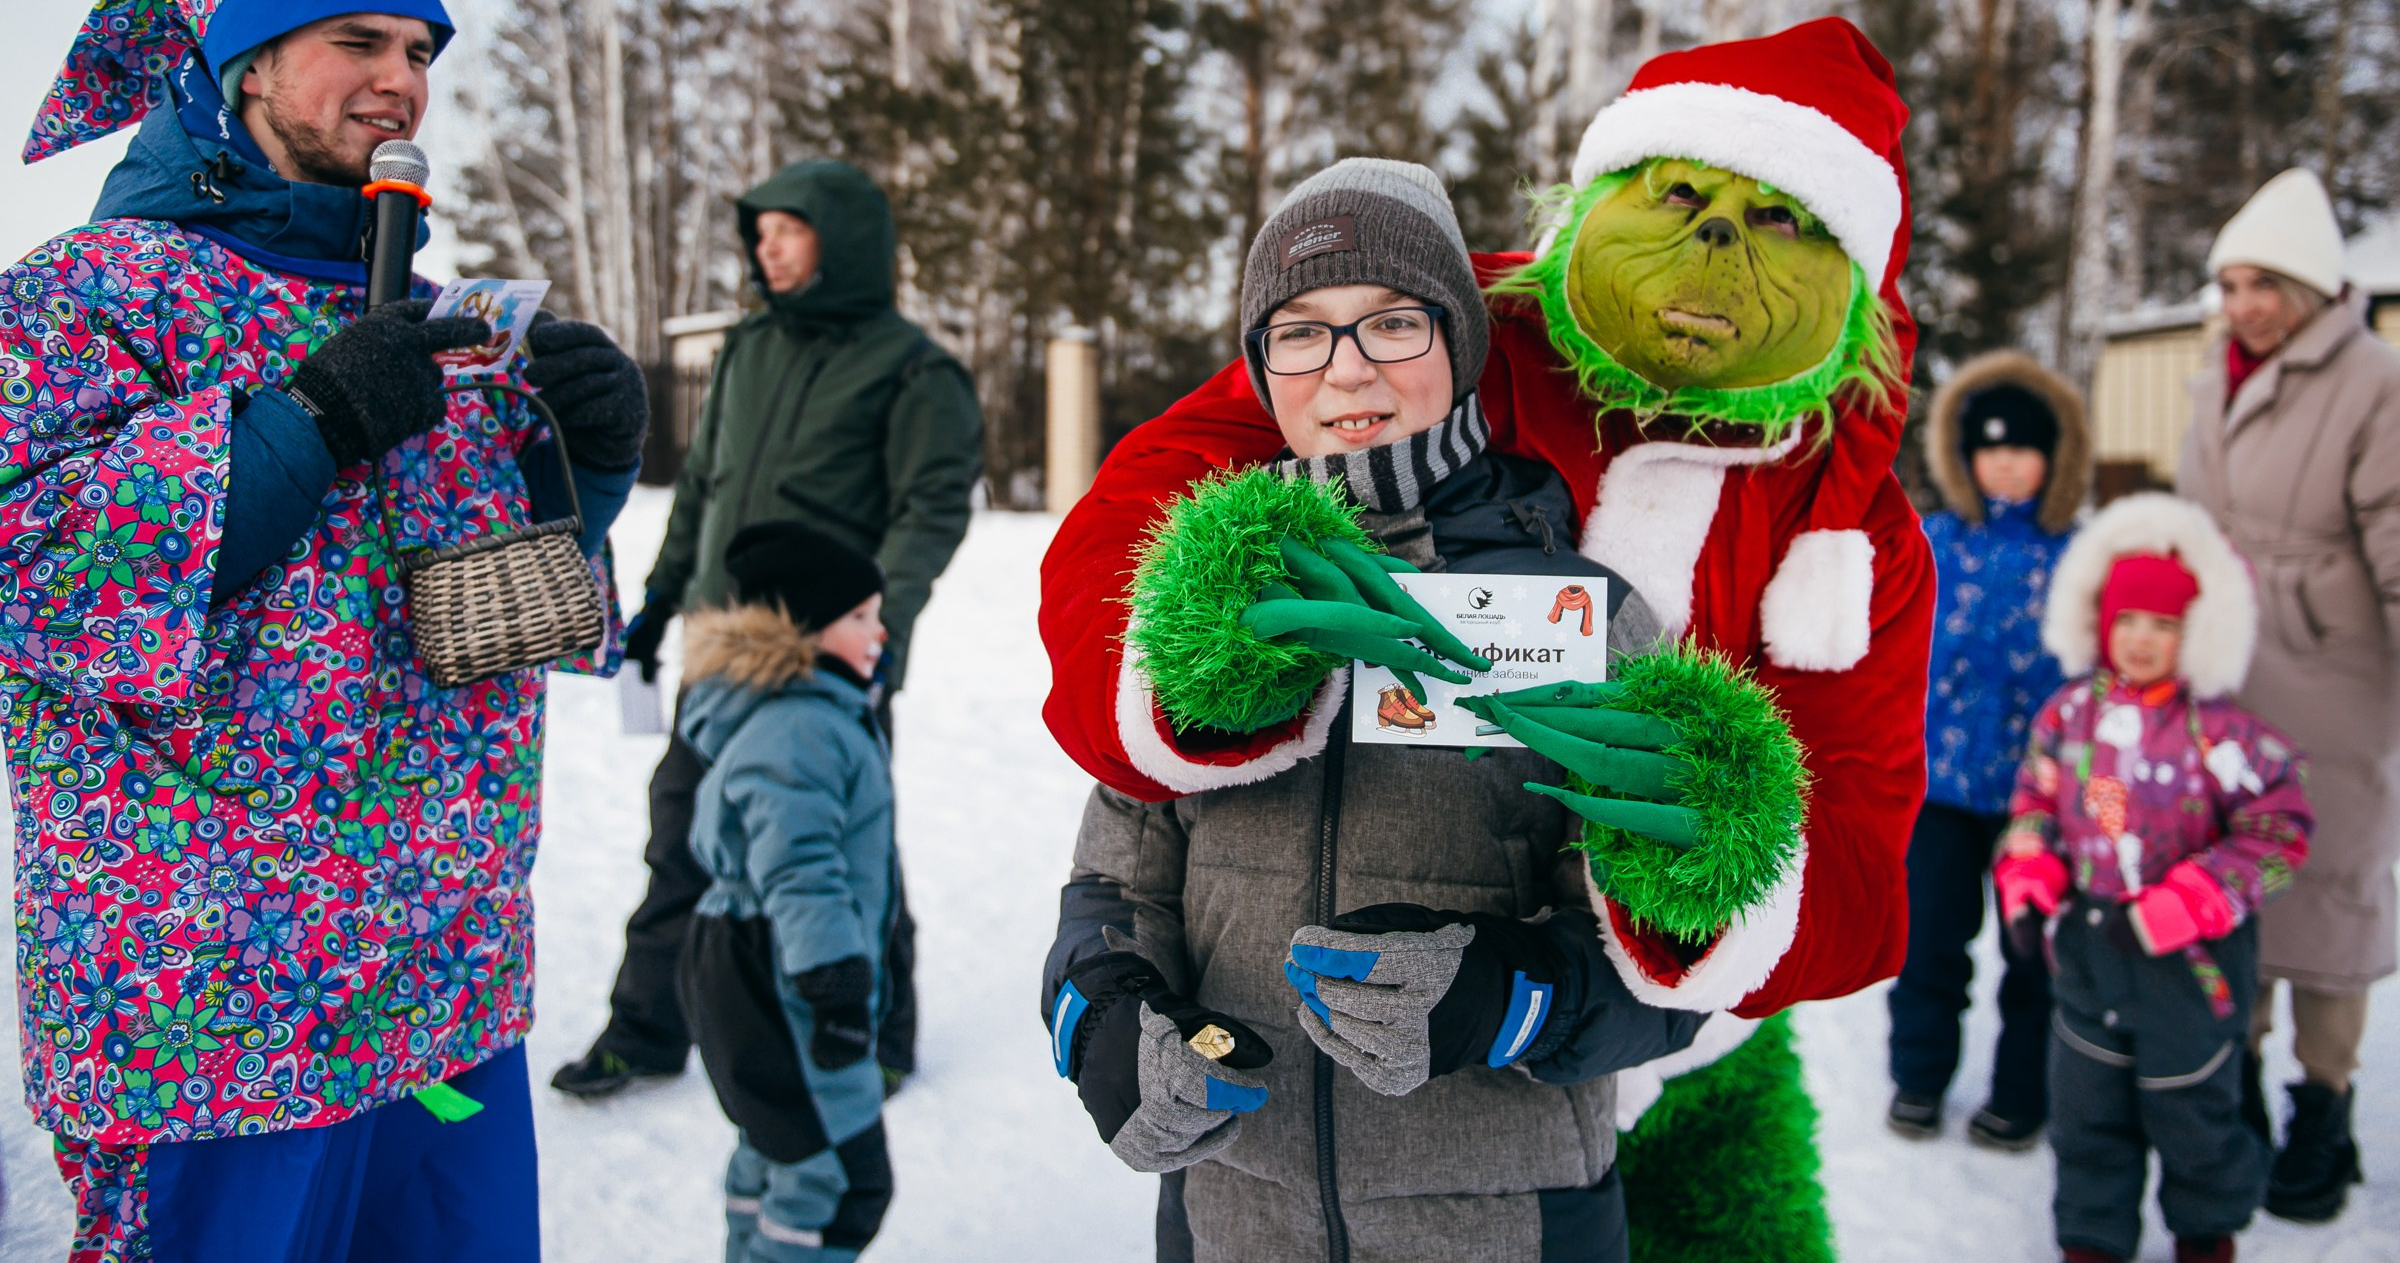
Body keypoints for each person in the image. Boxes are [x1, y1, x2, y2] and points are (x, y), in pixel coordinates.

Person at [9, 0, 647, 1261]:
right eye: (356, 39)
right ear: (241, 68)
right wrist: (305, 427)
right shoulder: (86, 293)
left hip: (440, 981)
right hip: (214, 1010)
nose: (403, 79)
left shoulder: (436, 316)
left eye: (421, 49)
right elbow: (31, 564)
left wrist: (585, 473)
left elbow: (494, 616)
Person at [1045, 158, 1739, 1260]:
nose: (1347, 370)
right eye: (1302, 331)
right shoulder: (1203, 600)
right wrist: (1107, 1020)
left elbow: (1684, 962)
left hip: (1508, 1226)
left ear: (1458, 341)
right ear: (1263, 367)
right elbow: (1112, 879)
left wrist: (1502, 999)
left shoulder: (1582, 610)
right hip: (1233, 1221)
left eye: (1392, 324)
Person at [553, 159, 983, 1099]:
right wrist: (659, 604)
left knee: (844, 849)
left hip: (829, 659)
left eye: (788, 229)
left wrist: (882, 633)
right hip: (721, 648)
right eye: (761, 232)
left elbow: (930, 513)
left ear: (844, 240)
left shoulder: (913, 370)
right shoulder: (748, 350)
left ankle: (878, 1035)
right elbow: (704, 488)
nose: (767, 248)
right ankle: (647, 1029)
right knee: (682, 842)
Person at [1995, 493, 2314, 1263]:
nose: (2142, 640)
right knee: (2087, 1111)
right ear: (2101, 622)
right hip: (2091, 948)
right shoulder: (2067, 716)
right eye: (2128, 621)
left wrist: (2195, 898)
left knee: (2193, 1108)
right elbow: (2035, 801)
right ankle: (2092, 1239)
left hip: (2191, 964)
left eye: (2164, 626)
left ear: (2194, 633)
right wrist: (2030, 869)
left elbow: (2279, 830)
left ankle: (2206, 1232)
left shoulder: (2226, 735)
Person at [2177, 166, 2400, 1222]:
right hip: (2228, 678)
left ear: (2311, 287)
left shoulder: (2373, 383)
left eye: (2264, 282)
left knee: (2329, 891)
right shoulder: (2210, 374)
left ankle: (2326, 1104)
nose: (2244, 303)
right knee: (2234, 883)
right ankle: (2245, 1088)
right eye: (2230, 283)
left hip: (2334, 677)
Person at [676, 522, 899, 1262]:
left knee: (779, 1147)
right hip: (784, 973)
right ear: (805, 629)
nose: (880, 631)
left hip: (754, 960)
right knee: (840, 1182)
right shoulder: (802, 727)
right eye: (860, 616)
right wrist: (835, 984)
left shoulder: (801, 712)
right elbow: (800, 866)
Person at [1888, 352, 2085, 1147]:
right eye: (1990, 446)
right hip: (1936, 789)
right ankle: (1920, 1077)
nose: (2005, 461)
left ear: (2054, 456)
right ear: (1964, 455)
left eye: (2023, 446)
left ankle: (2019, 1093)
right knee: (1930, 942)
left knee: (2031, 957)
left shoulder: (2077, 555)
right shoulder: (1931, 540)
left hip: (2038, 802)